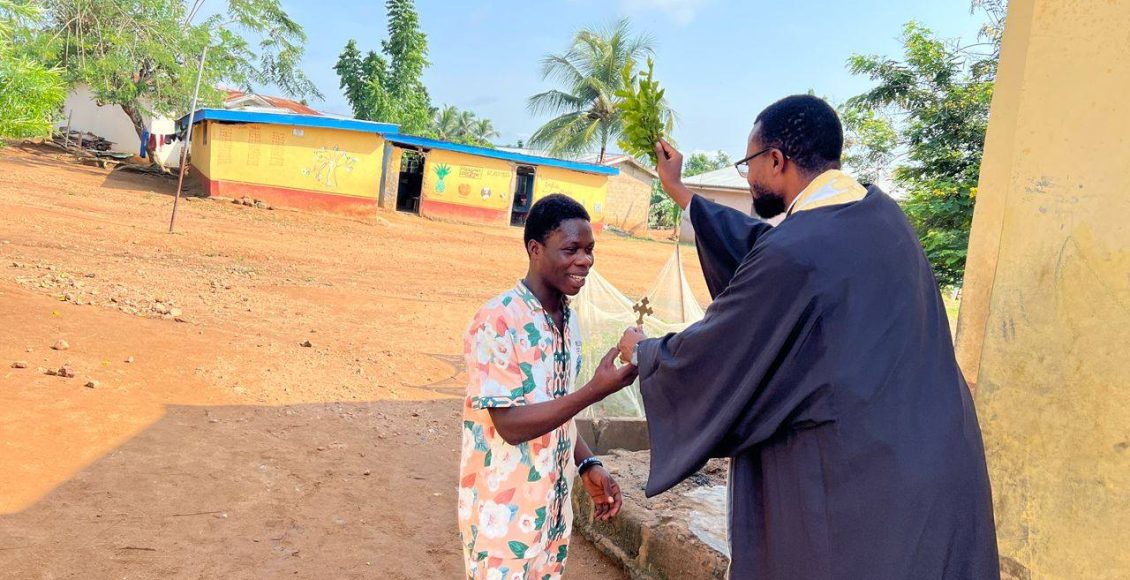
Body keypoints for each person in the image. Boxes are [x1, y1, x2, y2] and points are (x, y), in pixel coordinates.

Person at [616, 95, 999, 579]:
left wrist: (646, 352)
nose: (747, 177)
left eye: (748, 163)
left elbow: (722, 350)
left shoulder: (796, 252)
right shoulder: (882, 217)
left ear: (776, 160)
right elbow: (768, 250)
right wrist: (680, 192)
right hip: (938, 458)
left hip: (861, 483)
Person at [458, 194, 638, 579]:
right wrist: (595, 390)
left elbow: (557, 408)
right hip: (503, 523)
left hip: (552, 519)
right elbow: (510, 425)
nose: (585, 260)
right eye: (571, 249)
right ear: (535, 249)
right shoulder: (497, 321)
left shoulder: (568, 321)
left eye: (589, 250)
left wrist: (587, 462)